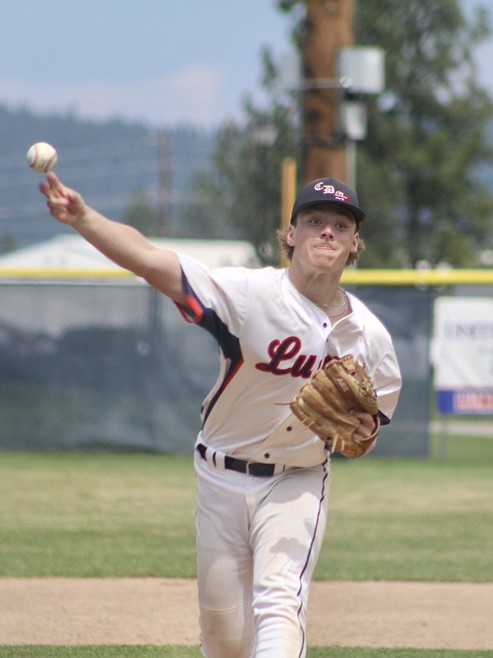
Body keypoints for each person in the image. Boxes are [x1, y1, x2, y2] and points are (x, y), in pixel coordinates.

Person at [40, 173, 401, 658]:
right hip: (220, 475)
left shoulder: (371, 337)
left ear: (355, 243)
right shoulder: (250, 296)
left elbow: (371, 423)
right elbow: (151, 261)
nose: (327, 232)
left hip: (297, 481)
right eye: (314, 220)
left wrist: (365, 430)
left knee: (280, 604)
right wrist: (83, 217)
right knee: (223, 639)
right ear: (291, 234)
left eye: (340, 224)